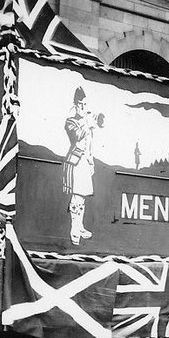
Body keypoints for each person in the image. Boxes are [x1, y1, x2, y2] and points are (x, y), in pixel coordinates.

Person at [62, 86, 103, 245]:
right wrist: (87, 124)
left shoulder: (85, 121)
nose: (84, 108)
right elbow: (77, 136)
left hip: (85, 162)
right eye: (81, 105)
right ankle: (74, 229)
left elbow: (89, 144)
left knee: (82, 197)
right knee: (77, 196)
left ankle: (79, 226)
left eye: (85, 104)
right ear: (76, 105)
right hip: (75, 162)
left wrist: (91, 161)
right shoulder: (70, 121)